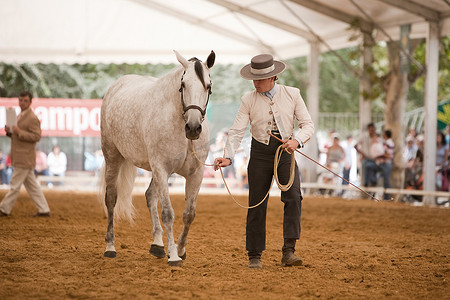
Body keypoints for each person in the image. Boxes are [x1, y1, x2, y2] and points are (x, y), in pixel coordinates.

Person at [214, 54, 314, 269]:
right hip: (259, 153)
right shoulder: (247, 99)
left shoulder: (293, 94)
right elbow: (237, 130)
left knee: (294, 197)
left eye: (259, 79)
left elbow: (308, 125)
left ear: (273, 77)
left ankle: (289, 252)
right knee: (256, 203)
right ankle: (254, 254)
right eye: (254, 79)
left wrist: (297, 140)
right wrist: (228, 156)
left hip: (285, 152)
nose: (255, 83)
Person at [0, 91, 50, 217]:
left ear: (30, 102)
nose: (22, 103)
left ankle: (4, 209)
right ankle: (44, 209)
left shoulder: (32, 118)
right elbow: (17, 135)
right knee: (32, 186)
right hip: (21, 156)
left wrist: (18, 131)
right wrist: (10, 131)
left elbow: (37, 136)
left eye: (25, 101)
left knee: (14, 185)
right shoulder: (20, 115)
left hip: (24, 157)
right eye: (20, 100)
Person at [354, 123, 376, 187]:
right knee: (364, 165)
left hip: (374, 158)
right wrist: (362, 153)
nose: (372, 131)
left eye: (373, 130)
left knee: (371, 166)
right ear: (368, 129)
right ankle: (365, 182)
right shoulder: (363, 137)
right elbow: (355, 146)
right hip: (366, 157)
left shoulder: (375, 137)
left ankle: (372, 180)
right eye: (371, 130)